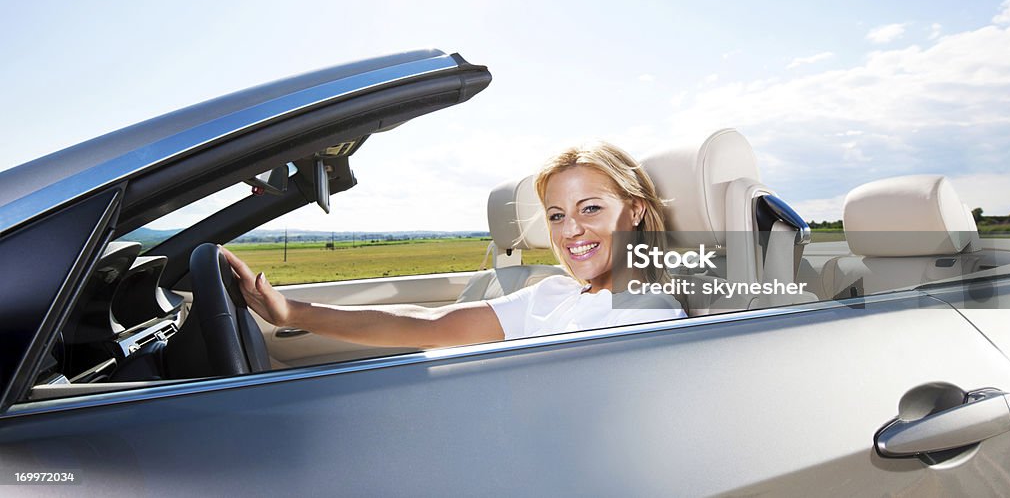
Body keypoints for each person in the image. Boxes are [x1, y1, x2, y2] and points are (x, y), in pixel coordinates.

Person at [226, 141, 685, 348]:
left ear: (637, 211)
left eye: (591, 209)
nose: (570, 232)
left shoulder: (646, 313)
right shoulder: (554, 293)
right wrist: (291, 312)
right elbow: (430, 325)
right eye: (557, 216)